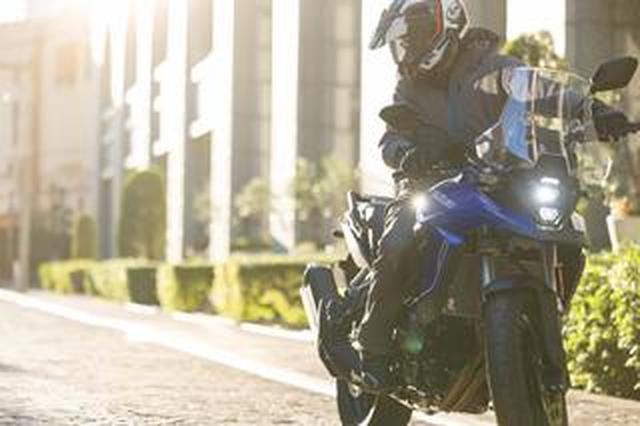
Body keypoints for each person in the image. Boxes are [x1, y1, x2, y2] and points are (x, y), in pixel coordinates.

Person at [329, 0, 632, 391]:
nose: (406, 51)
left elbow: (542, 89)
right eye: (401, 44)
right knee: (400, 236)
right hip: (428, 184)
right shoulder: (409, 86)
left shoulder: (494, 69)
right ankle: (374, 349)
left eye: (412, 39)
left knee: (564, 233)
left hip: (497, 180)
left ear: (443, 27)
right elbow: (391, 140)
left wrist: (592, 110)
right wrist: (408, 154)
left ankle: (534, 325)